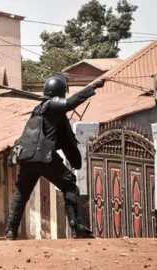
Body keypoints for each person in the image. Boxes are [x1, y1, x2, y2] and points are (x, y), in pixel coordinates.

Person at [6, 76, 106, 240]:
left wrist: (75, 161)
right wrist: (91, 88)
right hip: (45, 159)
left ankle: (11, 230)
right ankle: (76, 228)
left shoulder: (39, 110)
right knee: (70, 186)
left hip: (28, 159)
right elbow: (68, 104)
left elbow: (65, 141)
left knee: (21, 194)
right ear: (59, 93)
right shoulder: (52, 105)